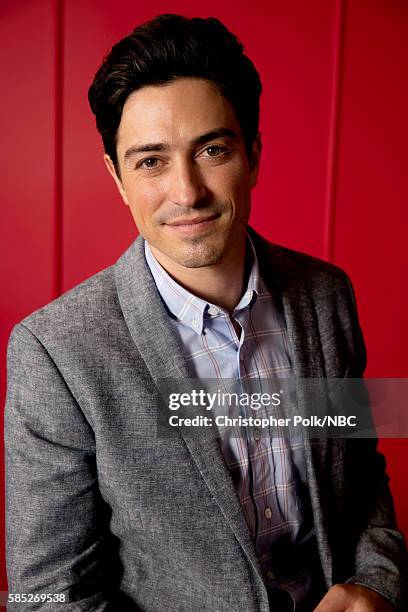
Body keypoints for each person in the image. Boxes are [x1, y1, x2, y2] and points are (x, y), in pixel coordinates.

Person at [4, 14, 407, 612]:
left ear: (254, 155)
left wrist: (378, 583)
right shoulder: (55, 352)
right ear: (117, 178)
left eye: (212, 150)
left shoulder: (327, 295)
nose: (186, 192)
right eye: (150, 162)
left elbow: (361, 473)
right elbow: (46, 594)